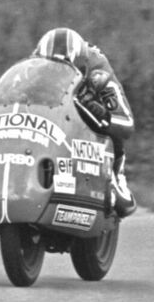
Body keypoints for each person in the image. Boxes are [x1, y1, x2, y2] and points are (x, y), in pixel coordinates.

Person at [32, 27, 136, 217]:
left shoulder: (99, 68)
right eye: (52, 69)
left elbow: (128, 123)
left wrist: (102, 112)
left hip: (88, 112)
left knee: (110, 123)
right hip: (55, 116)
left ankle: (116, 176)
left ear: (81, 64)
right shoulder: (36, 62)